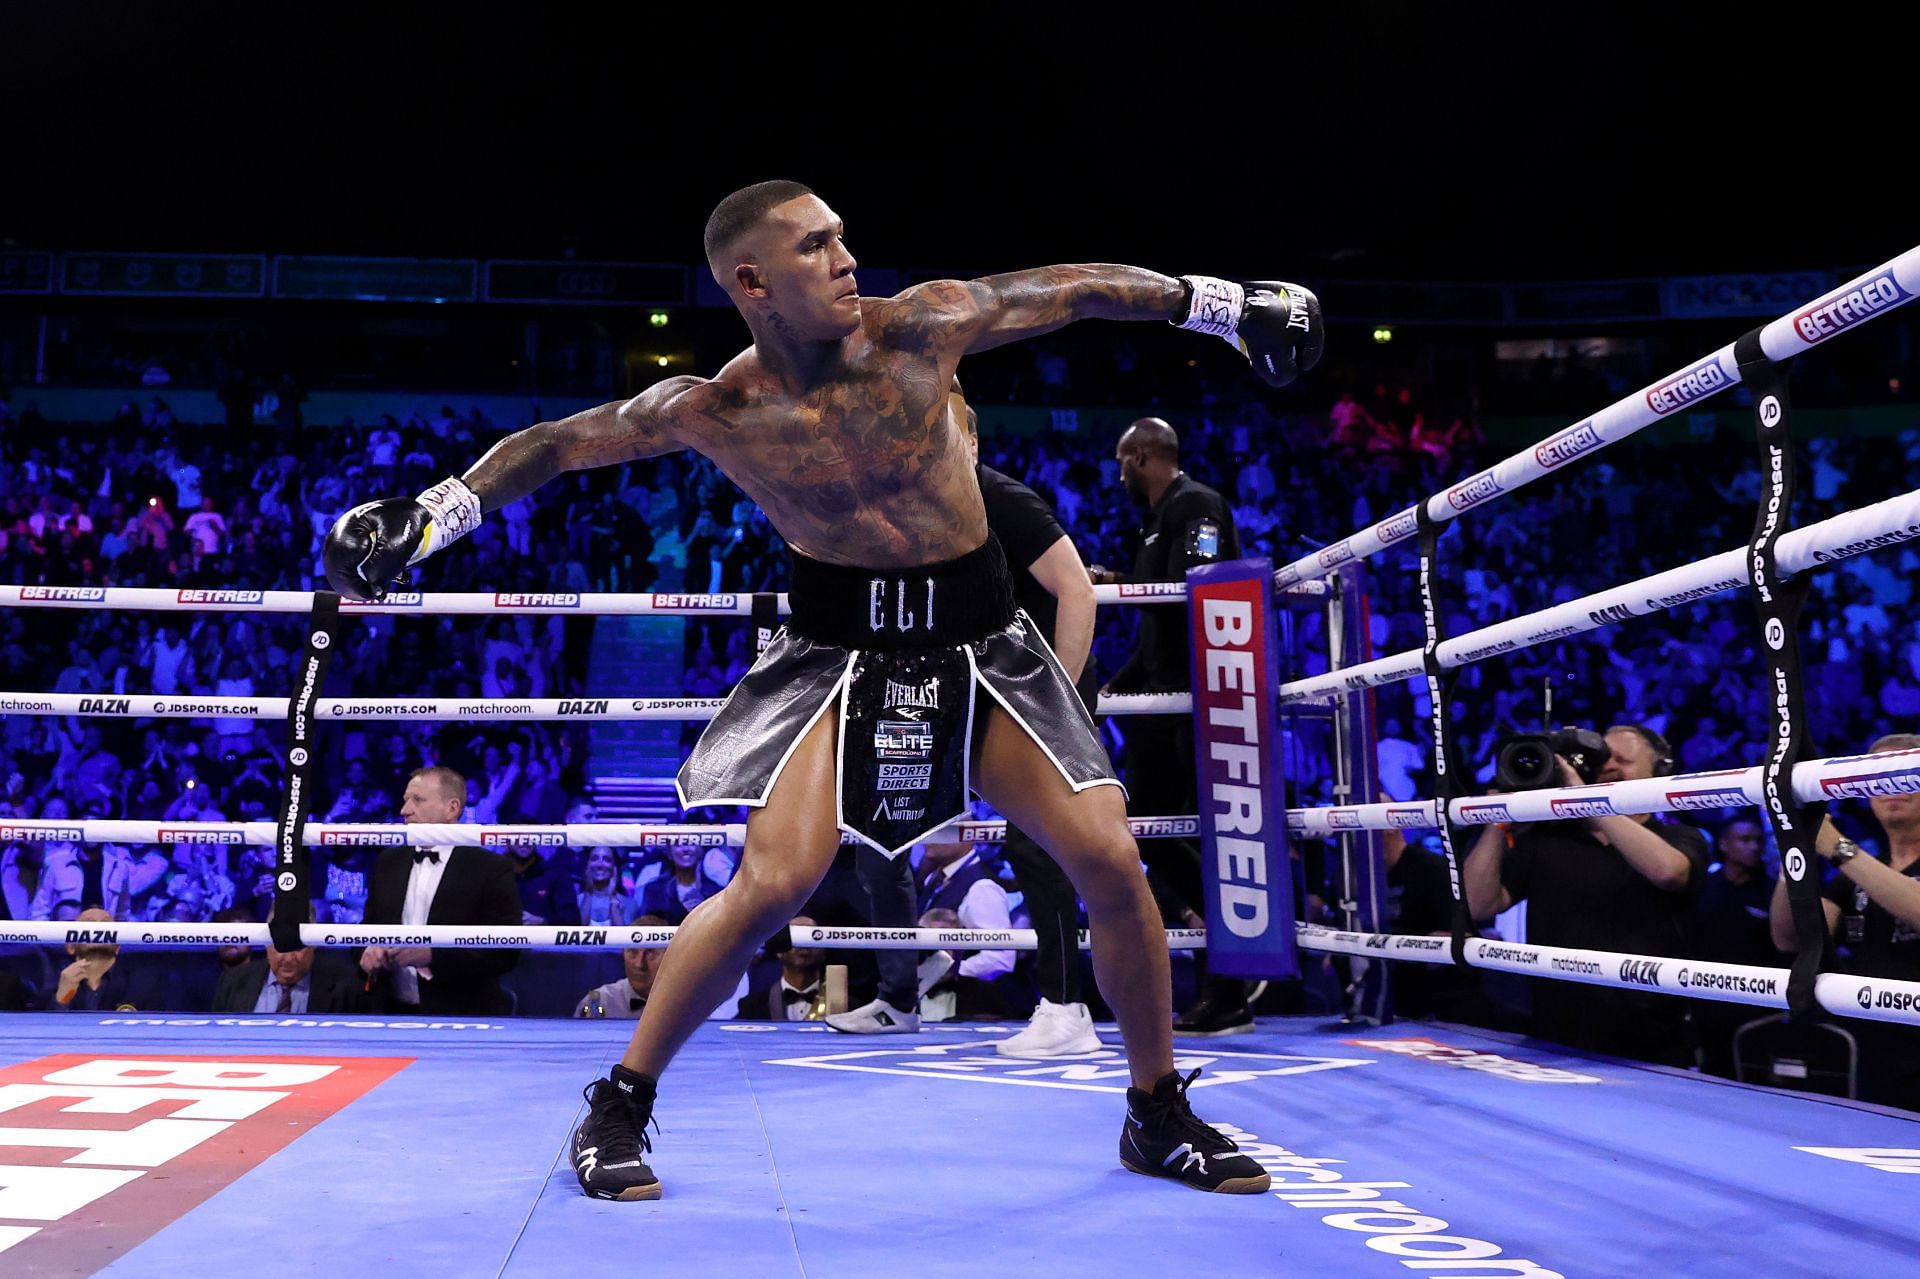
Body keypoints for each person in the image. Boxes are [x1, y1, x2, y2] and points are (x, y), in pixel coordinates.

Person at [325, 179, 1320, 1199]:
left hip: (980, 632)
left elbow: (1069, 290)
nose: (847, 257)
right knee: (771, 884)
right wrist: (433, 513)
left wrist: (1222, 302)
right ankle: (618, 1102)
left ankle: (1155, 1110)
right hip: (835, 648)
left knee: (1111, 858)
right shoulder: (722, 408)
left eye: (842, 236)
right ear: (754, 279)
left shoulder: (922, 330)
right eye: (816, 245)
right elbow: (563, 442)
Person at [830, 381, 1099, 1053]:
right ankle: (898, 997)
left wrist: (1057, 696)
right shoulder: (923, 513)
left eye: (945, 438)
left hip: (1033, 695)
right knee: (881, 820)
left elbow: (1078, 590)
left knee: (1039, 847)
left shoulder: (1004, 499)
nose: (931, 453)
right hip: (961, 694)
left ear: (972, 441)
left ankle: (1067, 1009)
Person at [1094, 416, 1250, 1035]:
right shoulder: (1155, 519)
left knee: (1197, 831)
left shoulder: (1197, 506)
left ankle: (1229, 983)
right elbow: (1156, 629)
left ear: (1141, 456)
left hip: (1202, 695)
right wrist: (1115, 689)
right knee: (1154, 830)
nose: (1118, 475)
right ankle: (1217, 944)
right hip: (1163, 695)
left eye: (1121, 462)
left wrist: (1116, 583)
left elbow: (1193, 591)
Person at [1463, 724, 1709, 1065]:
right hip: (1555, 1038)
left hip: (1650, 1041)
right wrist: (1495, 821)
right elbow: (1478, 905)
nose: (1608, 766)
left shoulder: (1682, 837)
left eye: (1623, 760)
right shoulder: (1548, 839)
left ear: (1658, 772)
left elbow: (1668, 872)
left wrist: (1587, 799)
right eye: (1602, 758)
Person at [1770, 733, 1920, 1109]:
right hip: (1870, 1050)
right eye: (1876, 777)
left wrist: (1836, 846)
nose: (1889, 787)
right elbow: (1788, 937)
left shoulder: (1850, 861)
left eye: (1901, 774)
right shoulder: (1856, 873)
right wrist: (1795, 851)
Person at [358, 766, 522, 1016]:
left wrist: (433, 955)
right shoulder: (388, 862)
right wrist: (368, 950)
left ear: (452, 809)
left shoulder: (489, 868)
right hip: (390, 1013)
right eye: (405, 801)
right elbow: (366, 928)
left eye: (418, 800)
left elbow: (505, 952)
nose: (405, 810)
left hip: (461, 1014)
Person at [734, 916, 829, 1021]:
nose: (803, 945)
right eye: (796, 937)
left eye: (812, 937)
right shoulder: (751, 1006)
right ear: (779, 951)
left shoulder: (848, 1004)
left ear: (824, 949)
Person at [576, 917, 670, 1018]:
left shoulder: (686, 1001)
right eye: (633, 952)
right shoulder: (597, 1000)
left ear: (670, 956)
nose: (639, 964)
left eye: (651, 953)